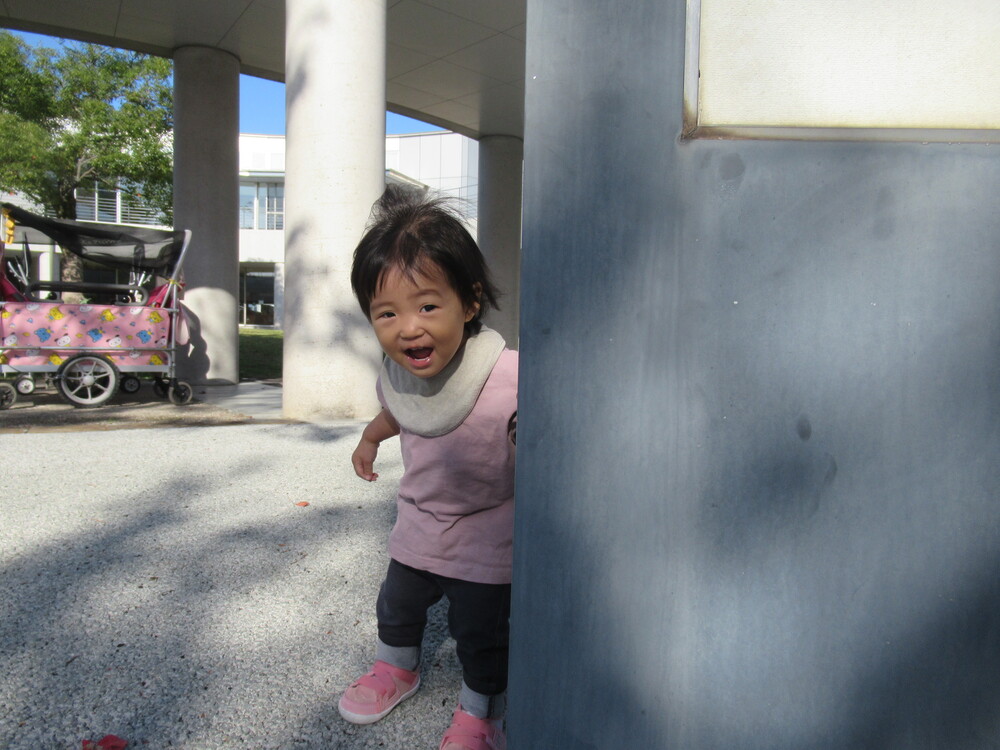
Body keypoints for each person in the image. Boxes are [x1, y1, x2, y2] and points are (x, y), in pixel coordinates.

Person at [339, 185, 516, 750]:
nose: (407, 327)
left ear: (469, 302)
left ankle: (481, 710)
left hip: (488, 535)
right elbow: (396, 411)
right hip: (417, 528)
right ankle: (397, 668)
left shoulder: (510, 374)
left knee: (480, 634)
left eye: (427, 306)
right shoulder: (398, 378)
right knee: (396, 606)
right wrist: (370, 438)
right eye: (385, 313)